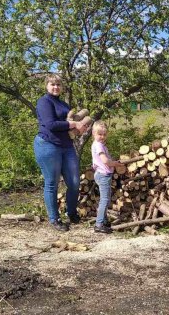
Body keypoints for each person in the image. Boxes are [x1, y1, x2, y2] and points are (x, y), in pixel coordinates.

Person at [34, 74, 87, 231]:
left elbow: (69, 125)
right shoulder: (44, 102)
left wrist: (80, 127)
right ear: (47, 86)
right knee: (52, 183)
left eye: (58, 84)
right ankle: (54, 219)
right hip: (48, 145)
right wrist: (72, 123)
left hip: (67, 146)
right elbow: (51, 124)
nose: (56, 87)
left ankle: (71, 212)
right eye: (52, 84)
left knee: (74, 182)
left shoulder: (63, 104)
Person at [91, 120, 125, 234]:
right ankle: (99, 224)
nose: (102, 136)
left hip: (104, 175)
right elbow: (105, 161)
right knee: (104, 200)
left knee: (106, 199)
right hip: (103, 175)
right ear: (93, 134)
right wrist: (116, 163)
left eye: (104, 134)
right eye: (99, 134)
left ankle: (104, 220)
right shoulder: (99, 145)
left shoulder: (99, 145)